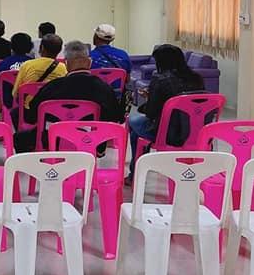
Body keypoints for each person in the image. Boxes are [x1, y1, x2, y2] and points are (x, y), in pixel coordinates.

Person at [15, 41, 124, 152]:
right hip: (89, 141)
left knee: (19, 138)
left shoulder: (52, 87)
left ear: (66, 64)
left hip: (53, 139)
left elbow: (32, 116)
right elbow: (115, 117)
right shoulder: (104, 88)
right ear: (89, 62)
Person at [128, 44, 205, 177]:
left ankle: (136, 173)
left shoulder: (160, 79)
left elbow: (151, 113)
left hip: (169, 133)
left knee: (133, 123)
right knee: (137, 128)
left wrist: (149, 97)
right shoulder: (196, 78)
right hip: (196, 131)